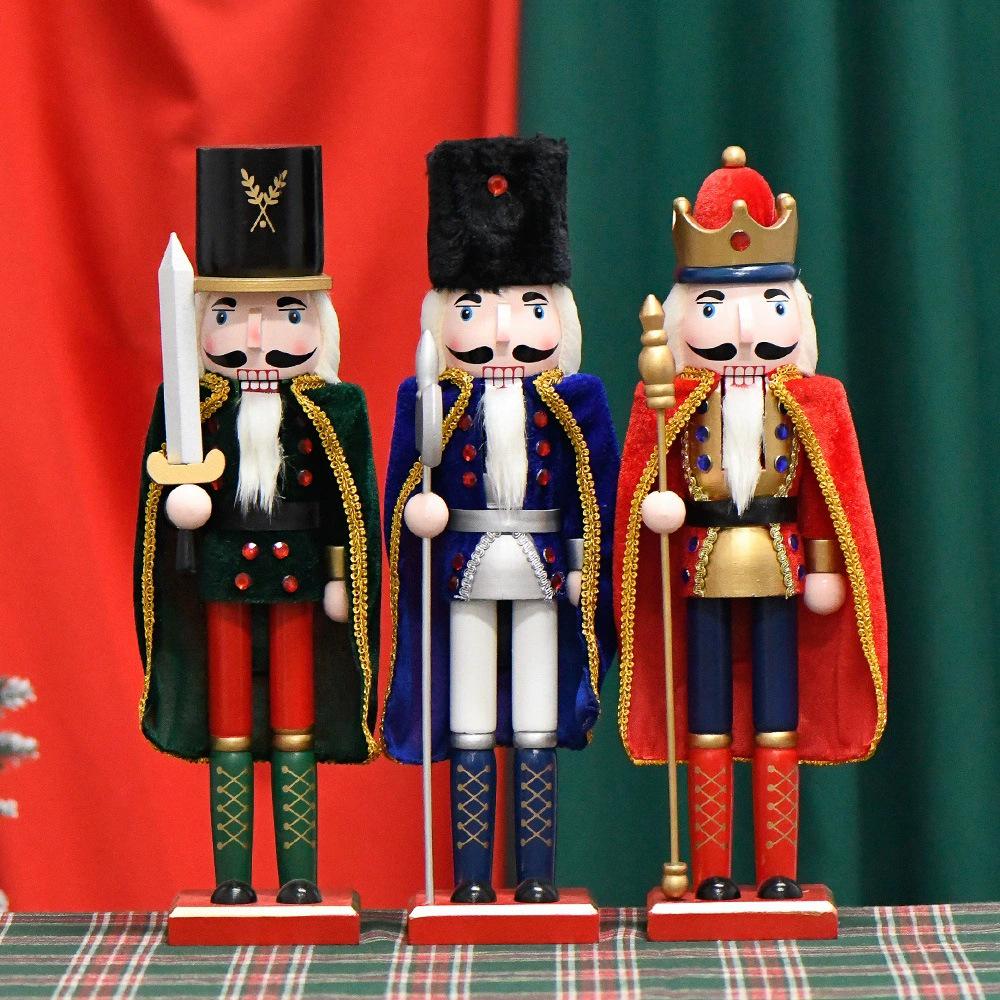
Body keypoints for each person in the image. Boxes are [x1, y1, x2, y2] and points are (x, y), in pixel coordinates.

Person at [616, 147, 887, 901]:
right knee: (705, 720)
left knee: (777, 719)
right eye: (712, 307)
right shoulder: (669, 403)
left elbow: (828, 498)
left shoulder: (814, 403)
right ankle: (711, 874)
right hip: (699, 564)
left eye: (767, 302)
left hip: (782, 563)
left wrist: (826, 567)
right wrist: (656, 509)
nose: (741, 330)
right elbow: (648, 486)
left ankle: (777, 874)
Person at [135, 145, 380, 906]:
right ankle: (233, 881)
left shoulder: (331, 410)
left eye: (285, 313)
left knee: (296, 725)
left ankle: (300, 879)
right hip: (221, 577)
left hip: (302, 578)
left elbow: (348, 505)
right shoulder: (195, 405)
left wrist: (339, 577)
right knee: (231, 727)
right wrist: (179, 506)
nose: (254, 336)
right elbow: (157, 511)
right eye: (230, 314)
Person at [382, 136, 618, 904]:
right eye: (477, 308)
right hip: (464, 575)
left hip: (546, 575)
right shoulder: (430, 401)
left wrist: (583, 565)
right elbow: (400, 490)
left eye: (530, 306)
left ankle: (538, 879)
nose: (504, 330)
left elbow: (595, 493)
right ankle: (472, 884)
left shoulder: (575, 401)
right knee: (473, 717)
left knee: (538, 719)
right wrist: (416, 513)